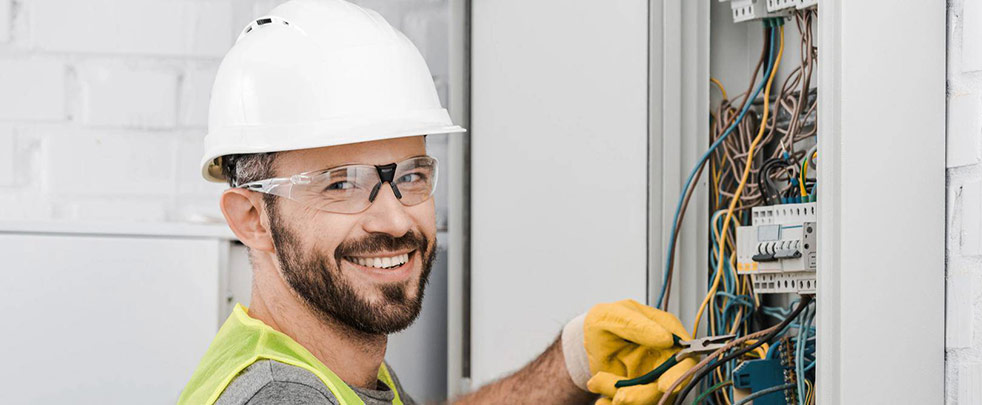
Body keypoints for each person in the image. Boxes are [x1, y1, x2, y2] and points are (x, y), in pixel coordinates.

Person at [177, 1, 694, 404]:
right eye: (340, 184)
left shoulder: (325, 360)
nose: (396, 218)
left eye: (411, 175)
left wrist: (570, 364)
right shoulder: (283, 396)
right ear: (252, 219)